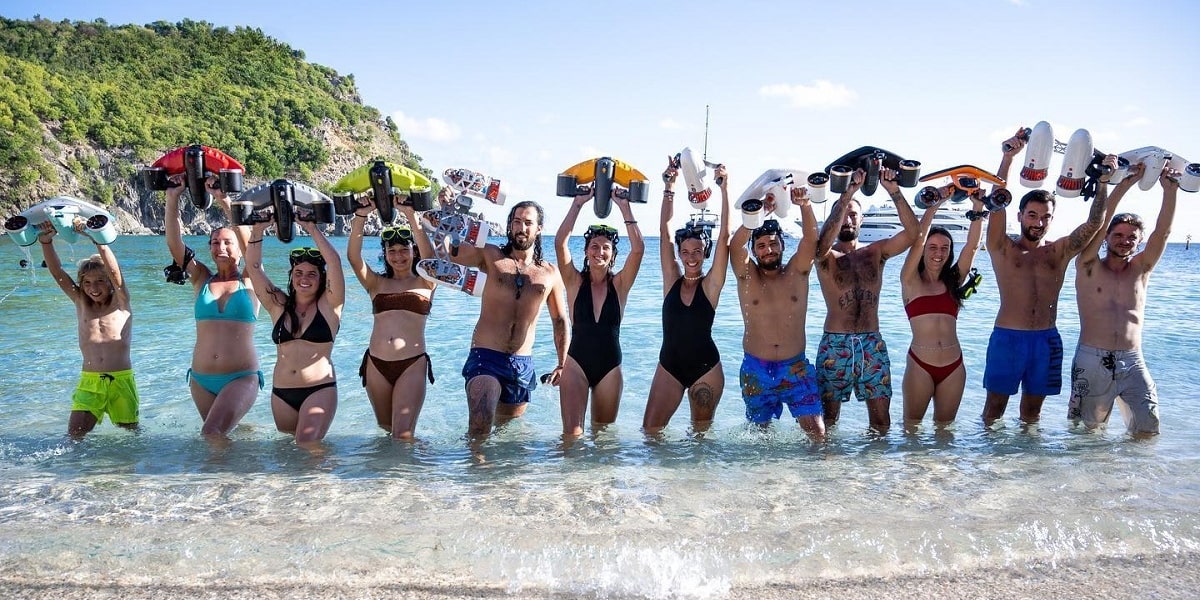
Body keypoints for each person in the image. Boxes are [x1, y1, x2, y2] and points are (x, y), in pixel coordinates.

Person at [981, 131, 1114, 425]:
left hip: (1046, 339)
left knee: (1032, 414)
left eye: (1045, 217)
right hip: (1008, 338)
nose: (1038, 223)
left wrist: (1103, 183)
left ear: (1052, 219)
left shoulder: (1059, 251)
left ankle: (1031, 469)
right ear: (1020, 216)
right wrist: (1007, 159)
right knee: (994, 410)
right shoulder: (1002, 248)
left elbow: (1094, 223)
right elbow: (997, 201)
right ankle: (986, 469)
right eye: (1032, 216)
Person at [447, 200, 569, 438]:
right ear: (509, 226)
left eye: (527, 222)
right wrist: (452, 214)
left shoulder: (550, 273)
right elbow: (452, 254)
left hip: (522, 365)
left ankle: (503, 476)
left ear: (539, 228)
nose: (521, 228)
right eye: (516, 222)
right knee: (480, 428)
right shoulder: (491, 256)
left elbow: (560, 320)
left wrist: (563, 363)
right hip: (486, 357)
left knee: (508, 437)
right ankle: (476, 471)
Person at [1069, 163, 1175, 435]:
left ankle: (1133, 477)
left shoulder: (1141, 269)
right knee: (1087, 435)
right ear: (1106, 238)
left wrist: (1170, 190)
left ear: (1139, 241)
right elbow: (1101, 221)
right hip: (1092, 360)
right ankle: (1089, 479)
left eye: (1131, 237)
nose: (1124, 241)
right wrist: (1123, 185)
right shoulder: (1089, 266)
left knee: (1148, 429)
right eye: (1118, 235)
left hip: (1133, 361)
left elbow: (1162, 233)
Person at [815, 167, 919, 433]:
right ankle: (824, 473)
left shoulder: (876, 252)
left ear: (862, 219)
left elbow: (912, 234)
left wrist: (894, 191)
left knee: (882, 422)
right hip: (835, 345)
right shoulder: (826, 257)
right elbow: (820, 246)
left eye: (853, 214)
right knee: (827, 421)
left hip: (871, 343)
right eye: (843, 215)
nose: (848, 220)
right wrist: (847, 194)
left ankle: (874, 473)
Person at [164, 176, 262, 437]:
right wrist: (172, 198)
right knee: (218, 439)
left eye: (228, 242)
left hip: (241, 376)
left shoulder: (252, 279)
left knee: (212, 433)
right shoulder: (201, 279)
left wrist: (224, 201)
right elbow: (175, 245)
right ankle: (232, 474)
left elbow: (250, 243)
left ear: (239, 250)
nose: (221, 247)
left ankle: (225, 478)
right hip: (200, 380)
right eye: (215, 242)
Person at [643, 159, 731, 435]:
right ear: (679, 253)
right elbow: (664, 232)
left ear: (705, 253)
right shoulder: (671, 280)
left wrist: (725, 189)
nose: (691, 257)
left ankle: (697, 482)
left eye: (697, 251)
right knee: (650, 433)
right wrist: (669, 186)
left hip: (706, 368)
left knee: (700, 441)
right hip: (669, 365)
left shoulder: (711, 284)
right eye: (685, 252)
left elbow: (725, 236)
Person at [729, 185, 822, 436]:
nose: (768, 250)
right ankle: (766, 477)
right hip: (756, 370)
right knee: (760, 438)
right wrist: (755, 217)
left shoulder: (797, 273)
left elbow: (811, 239)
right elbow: (735, 247)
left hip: (795, 368)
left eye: (773, 244)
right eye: (761, 245)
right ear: (754, 250)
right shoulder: (747, 277)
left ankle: (824, 476)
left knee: (817, 433)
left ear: (782, 245)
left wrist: (805, 204)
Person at [552, 187, 645, 437]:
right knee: (572, 435)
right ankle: (571, 478)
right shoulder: (574, 281)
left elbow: (638, 250)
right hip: (576, 365)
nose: (599, 252)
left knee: (604, 438)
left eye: (605, 248)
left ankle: (599, 479)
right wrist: (578, 204)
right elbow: (560, 243)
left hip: (610, 368)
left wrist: (625, 207)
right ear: (585, 251)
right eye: (594, 246)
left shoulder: (620, 285)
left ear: (613, 255)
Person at [245, 220, 345, 444]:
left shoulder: (330, 306)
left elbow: (335, 263)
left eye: (312, 274)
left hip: (318, 389)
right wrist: (258, 229)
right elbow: (253, 267)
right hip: (282, 393)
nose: (304, 279)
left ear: (322, 279)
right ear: (291, 276)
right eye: (299, 273)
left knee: (307, 445)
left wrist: (311, 228)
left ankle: (329, 480)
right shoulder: (278, 304)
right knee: (291, 456)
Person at [348, 198, 438, 440]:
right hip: (376, 364)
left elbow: (432, 259)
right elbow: (354, 259)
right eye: (392, 251)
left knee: (403, 434)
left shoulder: (426, 281)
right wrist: (360, 217)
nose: (398, 256)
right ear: (385, 254)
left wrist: (411, 215)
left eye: (404, 250)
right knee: (387, 430)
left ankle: (408, 477)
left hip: (412, 363)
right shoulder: (376, 283)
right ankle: (389, 478)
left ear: (413, 251)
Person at [38, 221, 137, 437]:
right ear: (82, 285)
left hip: (121, 380)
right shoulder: (81, 303)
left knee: (131, 436)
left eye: (101, 281)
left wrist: (97, 239)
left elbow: (115, 273)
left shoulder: (121, 303)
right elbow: (57, 273)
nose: (94, 288)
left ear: (110, 283)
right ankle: (78, 470)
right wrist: (46, 240)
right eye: (88, 282)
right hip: (90, 381)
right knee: (75, 434)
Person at [898, 191, 985, 428]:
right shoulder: (910, 281)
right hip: (920, 364)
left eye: (944, 248)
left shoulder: (953, 281)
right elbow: (917, 241)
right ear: (925, 250)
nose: (938, 253)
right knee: (911, 428)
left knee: (946, 431)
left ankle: (944, 468)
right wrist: (934, 207)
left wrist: (977, 207)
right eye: (933, 247)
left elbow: (972, 247)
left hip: (953, 366)